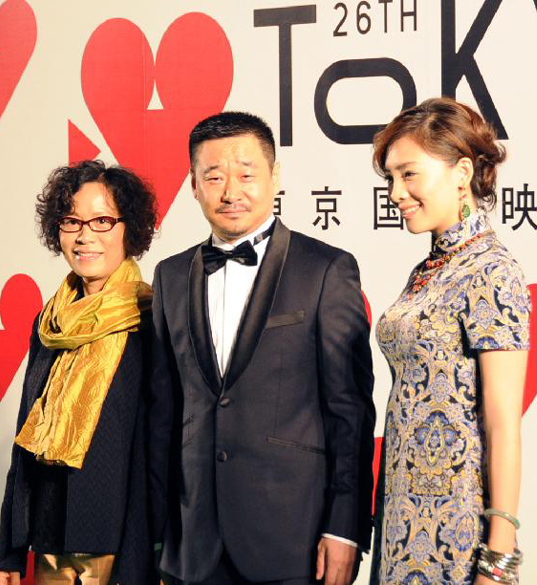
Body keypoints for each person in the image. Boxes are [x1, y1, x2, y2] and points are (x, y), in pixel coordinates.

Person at [150, 111, 376, 585]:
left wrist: (345, 526)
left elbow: (349, 412)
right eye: (213, 177)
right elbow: (165, 415)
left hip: (294, 540)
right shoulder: (170, 277)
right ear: (193, 185)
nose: (230, 191)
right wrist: (158, 534)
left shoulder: (325, 270)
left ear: (275, 176)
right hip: (193, 546)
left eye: (246, 174)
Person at [369, 98, 531, 585]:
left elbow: (503, 425)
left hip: (457, 536)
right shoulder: (427, 270)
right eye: (391, 179)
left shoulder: (492, 271)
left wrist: (497, 561)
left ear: (462, 172)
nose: (397, 192)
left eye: (409, 174)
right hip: (400, 517)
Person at [0, 160, 159, 585]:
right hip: (49, 536)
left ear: (130, 229)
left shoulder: (153, 318)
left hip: (122, 542)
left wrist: (156, 556)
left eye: (102, 221)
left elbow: (159, 448)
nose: (85, 236)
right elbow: (25, 436)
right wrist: (10, 550)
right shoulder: (49, 322)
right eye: (71, 221)